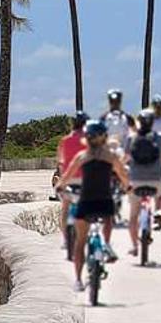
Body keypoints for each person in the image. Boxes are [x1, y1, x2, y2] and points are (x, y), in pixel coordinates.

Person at [62, 121, 132, 290]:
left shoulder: (82, 156)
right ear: (104, 137)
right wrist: (128, 186)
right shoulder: (110, 156)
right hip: (104, 199)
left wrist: (59, 186)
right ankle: (106, 245)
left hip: (86, 201)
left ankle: (78, 280)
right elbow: (122, 174)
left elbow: (67, 175)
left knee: (80, 242)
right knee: (108, 218)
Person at [124, 109, 161, 256]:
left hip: (135, 180)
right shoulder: (160, 138)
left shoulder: (131, 139)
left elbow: (124, 158)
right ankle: (158, 214)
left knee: (133, 216)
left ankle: (135, 246)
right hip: (156, 180)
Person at [55, 111, 89, 231]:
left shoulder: (64, 140)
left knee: (65, 210)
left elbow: (60, 162)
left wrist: (62, 179)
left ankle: (66, 239)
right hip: (85, 179)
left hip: (68, 179)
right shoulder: (88, 141)